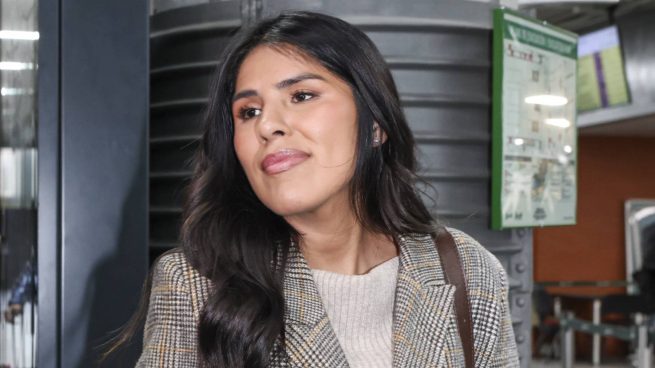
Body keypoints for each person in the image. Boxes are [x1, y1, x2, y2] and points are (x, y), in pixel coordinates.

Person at [129, 11, 519, 367]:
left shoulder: (466, 270)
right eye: (249, 112)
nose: (267, 125)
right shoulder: (196, 284)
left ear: (374, 125)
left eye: (301, 96)